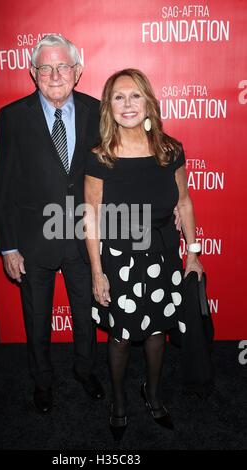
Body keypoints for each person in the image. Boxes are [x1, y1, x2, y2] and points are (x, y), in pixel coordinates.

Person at [84, 68, 203, 441]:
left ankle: (153, 395)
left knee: (156, 333)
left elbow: (184, 203)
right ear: (109, 107)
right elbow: (90, 217)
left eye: (135, 95)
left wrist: (194, 254)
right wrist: (96, 272)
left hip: (164, 255)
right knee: (120, 336)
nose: (128, 104)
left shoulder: (170, 150)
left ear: (148, 101)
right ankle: (118, 403)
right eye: (119, 97)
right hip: (118, 260)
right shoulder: (100, 158)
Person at [0, 34, 105, 415]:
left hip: (81, 240)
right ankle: (42, 381)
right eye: (45, 67)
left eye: (63, 66)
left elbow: (115, 174)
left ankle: (85, 370)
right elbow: (3, 185)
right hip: (33, 242)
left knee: (85, 315)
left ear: (77, 71)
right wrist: (8, 246)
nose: (55, 74)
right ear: (32, 72)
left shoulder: (97, 110)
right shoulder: (12, 116)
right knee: (37, 319)